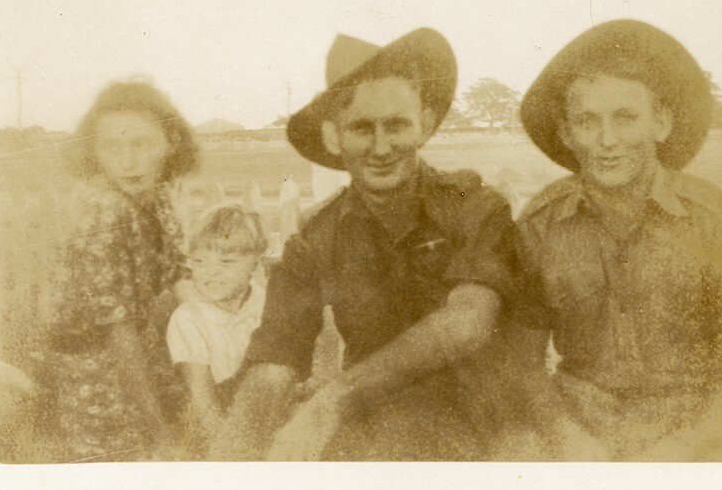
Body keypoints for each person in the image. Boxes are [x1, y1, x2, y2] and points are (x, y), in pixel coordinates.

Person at [214, 28, 520, 461]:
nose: (381, 147)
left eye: (396, 125)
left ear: (425, 125)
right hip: (374, 425)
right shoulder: (315, 238)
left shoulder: (475, 206)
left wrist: (332, 399)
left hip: (485, 422)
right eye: (361, 128)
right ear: (333, 137)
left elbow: (467, 321)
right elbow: (275, 360)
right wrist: (229, 458)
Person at [516, 19, 722, 460]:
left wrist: (685, 447)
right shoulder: (540, 225)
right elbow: (520, 365)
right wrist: (569, 439)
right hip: (580, 423)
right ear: (566, 133)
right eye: (587, 121)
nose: (607, 140)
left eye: (625, 118)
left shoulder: (716, 220)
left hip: (696, 425)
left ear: (662, 122)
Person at [44, 80, 199, 462]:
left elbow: (181, 280)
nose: (127, 162)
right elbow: (120, 336)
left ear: (171, 142)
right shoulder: (104, 214)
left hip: (149, 353)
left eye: (141, 144)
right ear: (93, 152)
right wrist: (160, 435)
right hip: (92, 372)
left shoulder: (158, 197)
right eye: (111, 147)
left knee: (207, 425)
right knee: (150, 458)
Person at [166, 203, 269, 456]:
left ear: (255, 262)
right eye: (200, 261)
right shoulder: (189, 319)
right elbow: (203, 401)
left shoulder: (270, 308)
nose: (211, 271)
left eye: (226, 261)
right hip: (220, 428)